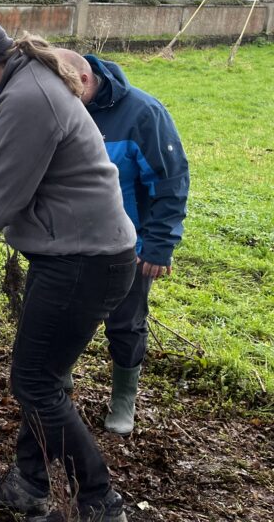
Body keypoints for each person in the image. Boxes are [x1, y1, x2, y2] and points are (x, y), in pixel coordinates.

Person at [0, 0, 137, 522]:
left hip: (82, 261)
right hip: (80, 253)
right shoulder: (27, 82)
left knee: (35, 382)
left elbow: (2, 190)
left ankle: (100, 501)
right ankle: (29, 483)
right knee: (43, 376)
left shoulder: (27, 98)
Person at [55, 49, 189, 435]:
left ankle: (123, 399)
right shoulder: (61, 108)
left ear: (83, 80)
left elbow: (170, 180)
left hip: (126, 243)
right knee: (65, 312)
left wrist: (160, 243)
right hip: (71, 239)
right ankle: (59, 378)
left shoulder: (143, 114)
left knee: (125, 322)